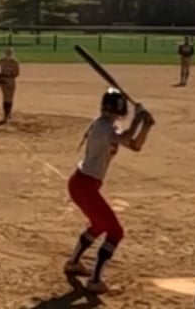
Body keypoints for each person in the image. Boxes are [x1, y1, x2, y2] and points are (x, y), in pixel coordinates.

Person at [65, 88, 154, 295]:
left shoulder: (109, 126)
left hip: (84, 184)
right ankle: (95, 280)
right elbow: (128, 135)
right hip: (85, 185)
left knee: (99, 225)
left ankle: (73, 263)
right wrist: (138, 117)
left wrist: (146, 126)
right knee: (115, 232)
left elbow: (135, 144)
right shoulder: (103, 127)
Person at [0, 47, 21, 121]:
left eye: (9, 53)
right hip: (4, 80)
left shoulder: (14, 62)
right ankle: (6, 115)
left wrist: (10, 74)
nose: (8, 54)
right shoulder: (3, 60)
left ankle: (8, 113)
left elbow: (17, 73)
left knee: (10, 97)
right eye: (7, 53)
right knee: (6, 96)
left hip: (11, 80)